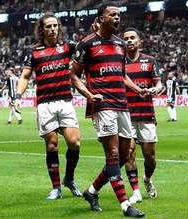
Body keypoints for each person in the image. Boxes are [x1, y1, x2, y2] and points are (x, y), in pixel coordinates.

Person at [70, 2, 145, 217]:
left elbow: (122, 75)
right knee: (112, 154)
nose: (117, 18)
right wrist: (89, 96)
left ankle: (92, 191)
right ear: (101, 19)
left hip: (122, 104)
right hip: (103, 106)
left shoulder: (121, 44)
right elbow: (74, 76)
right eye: (112, 15)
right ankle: (125, 206)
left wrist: (138, 90)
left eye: (119, 15)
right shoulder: (86, 44)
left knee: (124, 155)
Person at [14, 12, 82, 200]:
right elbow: (25, 76)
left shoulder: (68, 47)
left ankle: (69, 179)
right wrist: (18, 96)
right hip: (45, 104)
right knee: (52, 146)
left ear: (59, 27)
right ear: (42, 30)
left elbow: (86, 52)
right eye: (48, 26)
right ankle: (56, 187)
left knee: (74, 143)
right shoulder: (34, 51)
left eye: (55, 25)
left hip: (65, 101)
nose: (52, 29)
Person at [123, 28, 162, 204]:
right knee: (129, 152)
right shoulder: (119, 62)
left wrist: (156, 89)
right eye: (126, 39)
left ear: (139, 41)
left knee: (150, 156)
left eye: (132, 38)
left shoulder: (150, 61)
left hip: (146, 114)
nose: (129, 41)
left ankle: (147, 179)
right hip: (126, 114)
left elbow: (159, 83)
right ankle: (136, 190)